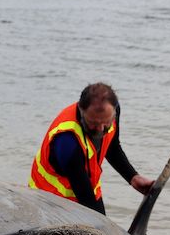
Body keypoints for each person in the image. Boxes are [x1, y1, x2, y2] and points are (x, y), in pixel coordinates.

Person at [28, 82, 154, 214]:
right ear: (81, 111)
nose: (100, 130)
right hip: (51, 202)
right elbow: (86, 197)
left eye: (106, 123)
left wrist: (132, 177)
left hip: (87, 189)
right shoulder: (67, 140)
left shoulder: (112, 111)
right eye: (93, 123)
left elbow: (112, 146)